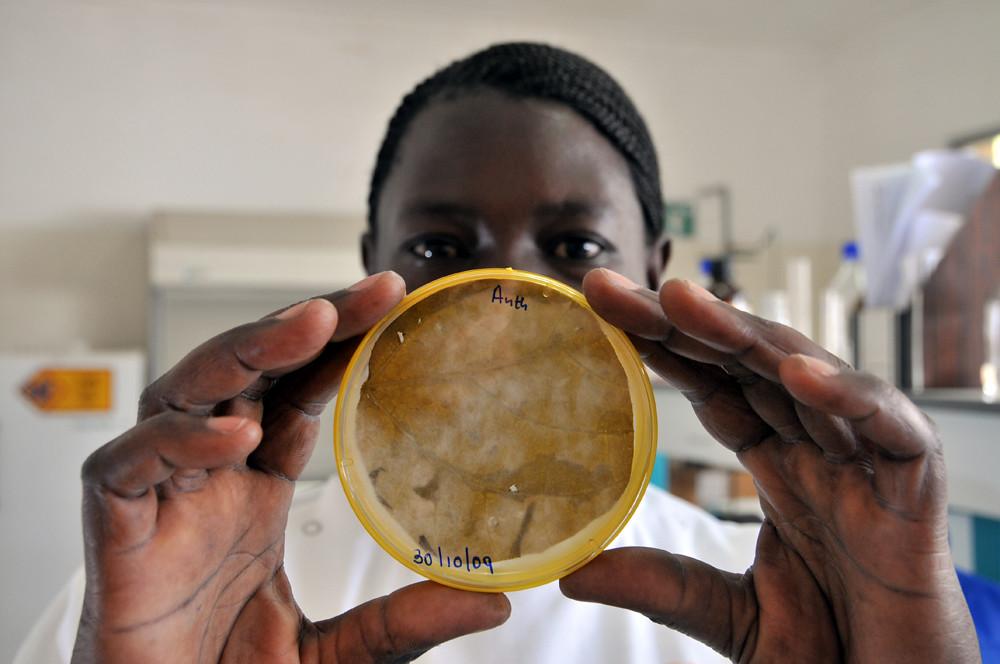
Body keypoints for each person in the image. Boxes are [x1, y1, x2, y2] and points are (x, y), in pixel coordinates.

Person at [16, 43, 979, 663]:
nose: (509, 305)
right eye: (439, 250)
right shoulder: (180, 598)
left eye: (576, 249)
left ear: (656, 273)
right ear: (370, 275)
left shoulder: (786, 600)